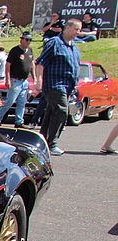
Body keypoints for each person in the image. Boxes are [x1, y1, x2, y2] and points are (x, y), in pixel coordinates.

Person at [36, 19, 82, 155]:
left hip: (68, 86)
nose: (78, 33)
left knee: (51, 112)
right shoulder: (55, 43)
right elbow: (40, 62)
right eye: (76, 29)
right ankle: (52, 143)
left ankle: (42, 141)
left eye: (79, 30)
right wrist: (38, 80)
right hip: (55, 84)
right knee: (62, 111)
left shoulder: (73, 46)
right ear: (67, 27)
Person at [0, 32, 35, 126]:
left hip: (24, 81)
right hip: (15, 80)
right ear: (21, 39)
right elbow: (8, 65)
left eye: (30, 40)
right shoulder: (15, 50)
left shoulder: (30, 50)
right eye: (26, 39)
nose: (28, 42)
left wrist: (34, 77)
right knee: (10, 101)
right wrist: (8, 79)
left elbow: (32, 64)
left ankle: (19, 121)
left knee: (22, 102)